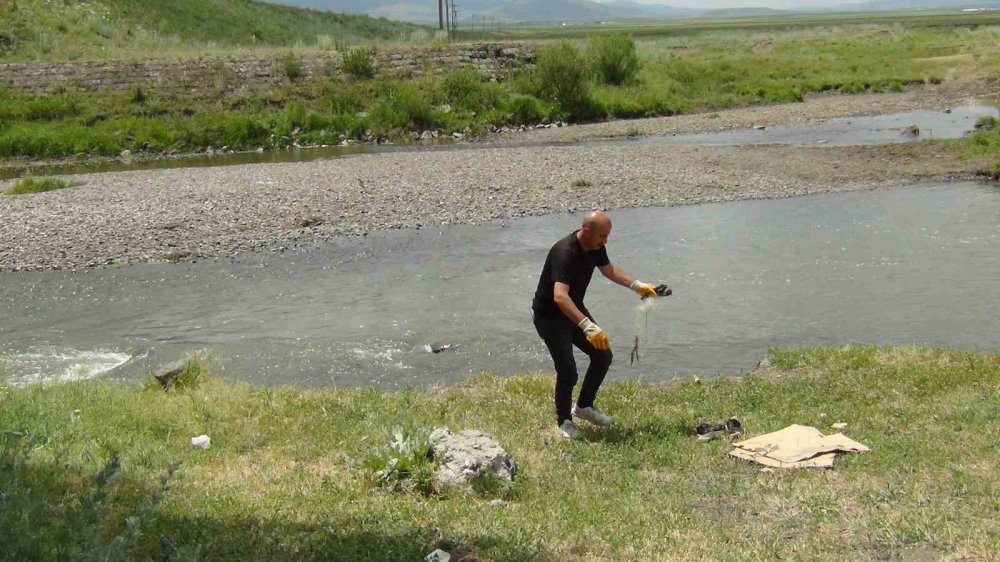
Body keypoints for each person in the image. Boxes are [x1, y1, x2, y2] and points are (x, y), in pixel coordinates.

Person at [532, 210, 660, 439]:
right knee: (568, 371)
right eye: (603, 236)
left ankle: (584, 406)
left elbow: (609, 270)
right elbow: (560, 296)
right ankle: (563, 422)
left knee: (603, 355)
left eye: (607, 236)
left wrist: (637, 286)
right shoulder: (564, 252)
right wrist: (587, 325)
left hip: (574, 310)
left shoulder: (595, 246)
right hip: (550, 317)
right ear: (587, 231)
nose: (606, 241)